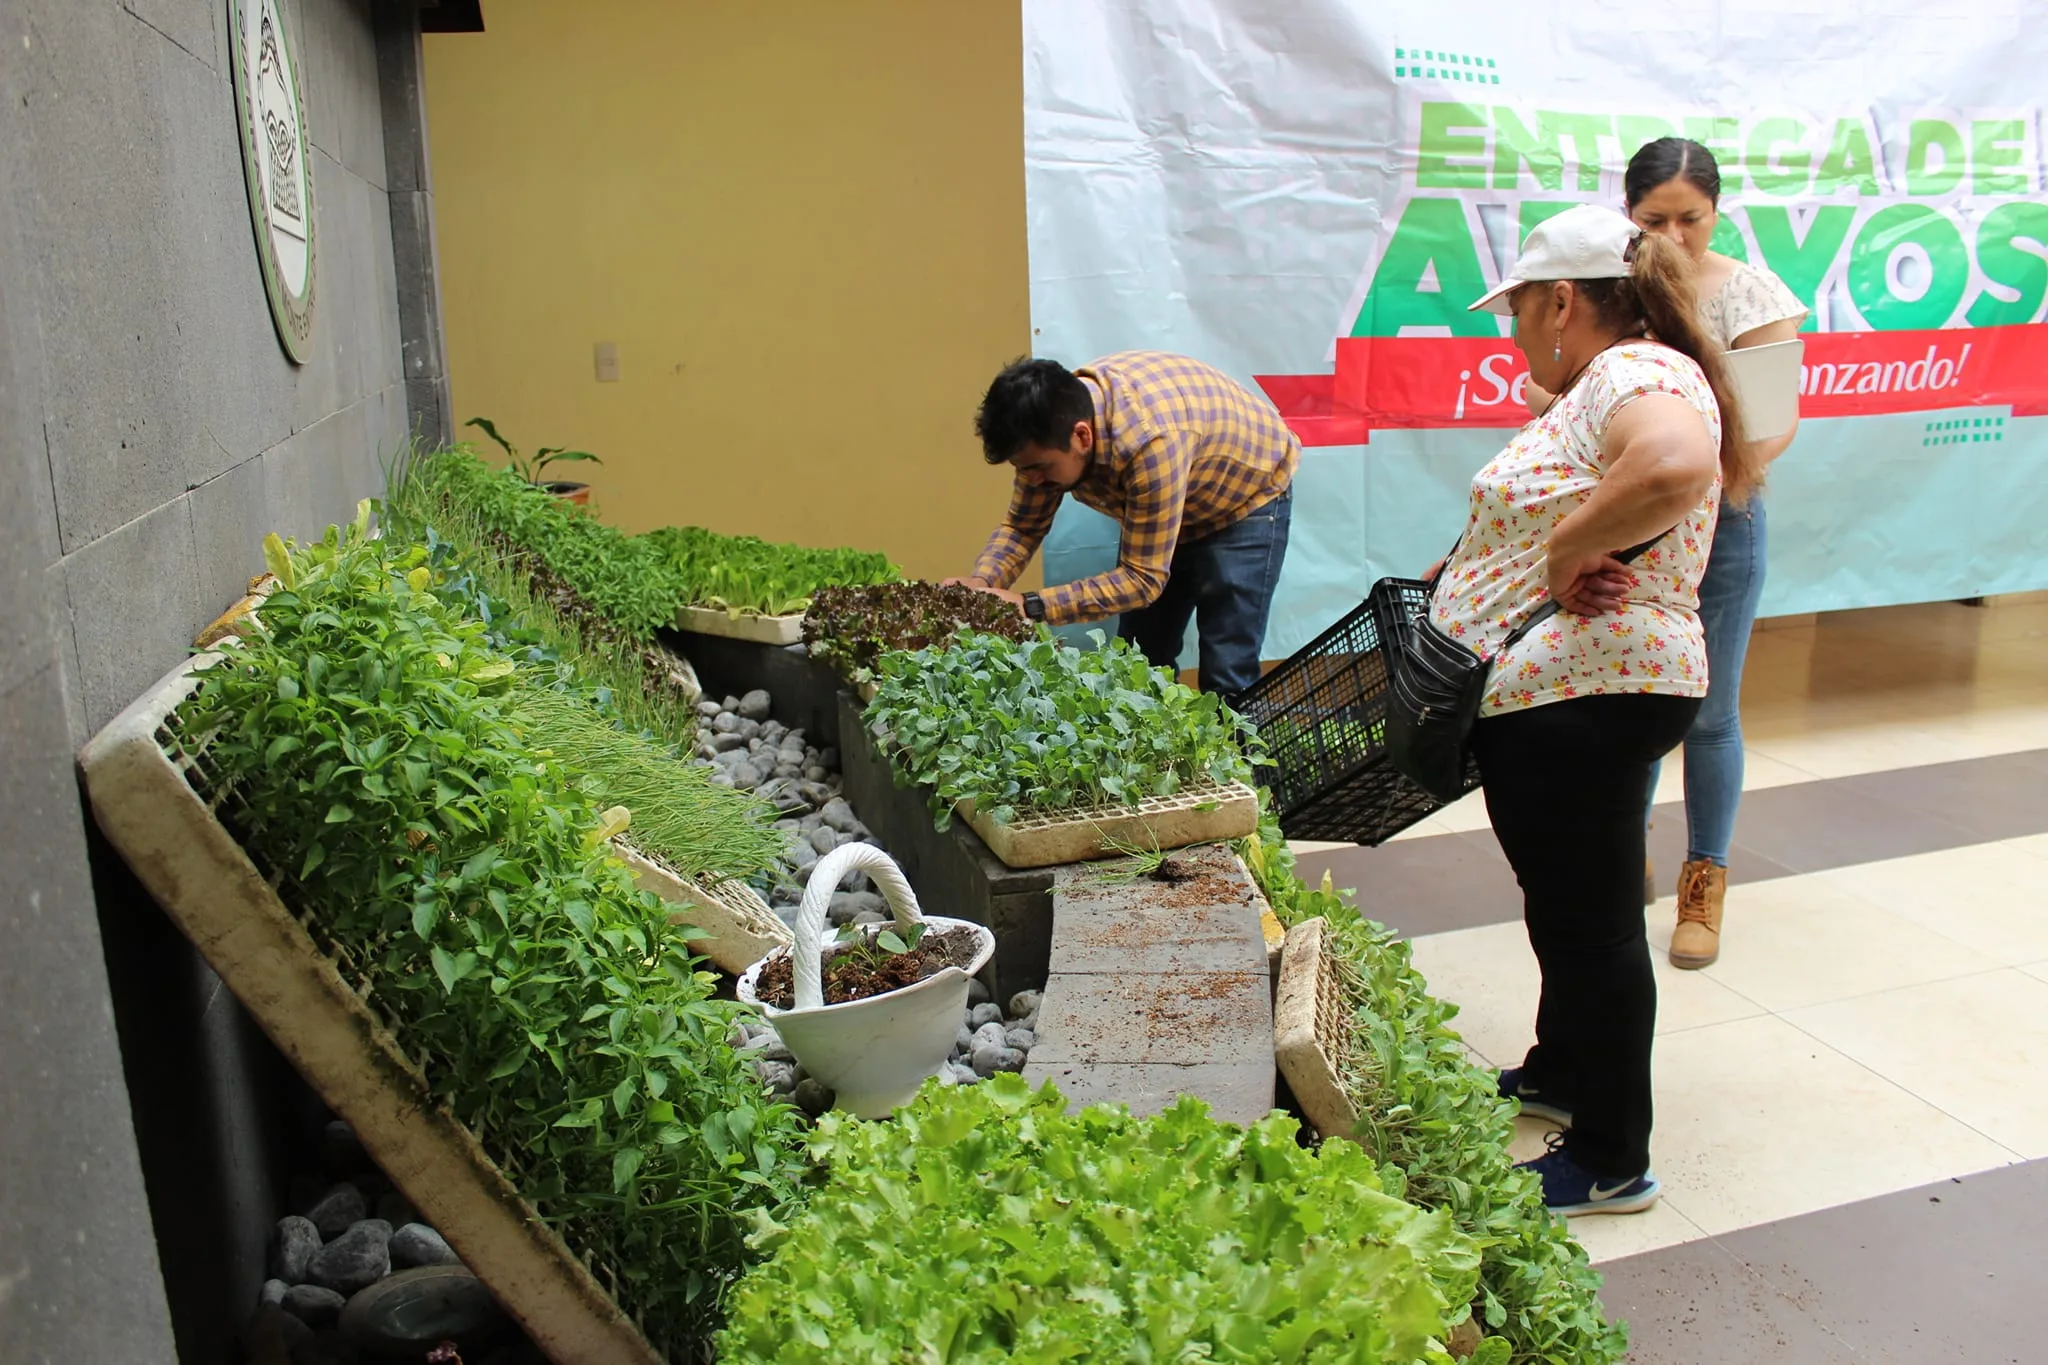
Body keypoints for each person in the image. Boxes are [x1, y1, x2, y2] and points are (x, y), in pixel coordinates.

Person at [1439, 204, 1759, 1215]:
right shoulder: (1616, 375)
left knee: (1592, 927)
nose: (1514, 331)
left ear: (1562, 300)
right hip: (1577, 687)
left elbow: (1671, 466)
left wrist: (1569, 546)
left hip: (1587, 687)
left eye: (1520, 310)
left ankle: (1611, 1158)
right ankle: (1562, 1071)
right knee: (1568, 907)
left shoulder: (1634, 372)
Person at [1627, 138, 1807, 968]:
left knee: (1710, 710)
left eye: (1689, 219)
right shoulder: (1608, 284)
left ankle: (1707, 880)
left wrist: (1706, 480)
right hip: (1633, 524)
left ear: (1716, 212)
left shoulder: (1749, 292)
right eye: (1653, 219)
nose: (1672, 236)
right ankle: (1625, 860)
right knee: (1625, 698)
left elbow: (1773, 424)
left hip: (1724, 522)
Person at [948, 353, 1299, 700]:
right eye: (1022, 468)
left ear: (1082, 436)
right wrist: (982, 585)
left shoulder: (1149, 442)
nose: (1032, 479)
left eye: (1039, 467)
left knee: (1227, 675)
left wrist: (1030, 606)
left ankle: (1242, 753)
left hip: (1245, 498)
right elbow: (1023, 527)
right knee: (1139, 663)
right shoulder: (1043, 429)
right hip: (1179, 484)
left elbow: (1142, 579)